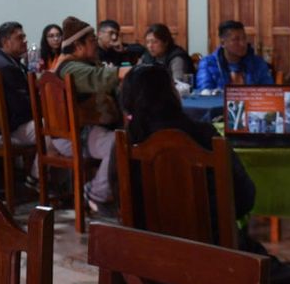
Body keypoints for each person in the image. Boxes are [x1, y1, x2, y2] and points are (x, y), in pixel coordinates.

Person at [114, 64, 256, 236]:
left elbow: (118, 198)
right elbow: (245, 195)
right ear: (173, 94)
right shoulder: (204, 135)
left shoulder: (126, 142)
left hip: (147, 249)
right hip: (212, 248)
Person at [54, 16, 130, 211]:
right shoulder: (70, 68)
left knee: (127, 136)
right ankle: (96, 193)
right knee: (119, 142)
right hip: (75, 136)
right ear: (78, 46)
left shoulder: (79, 64)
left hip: (82, 131)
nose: (96, 44)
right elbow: (97, 78)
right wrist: (121, 73)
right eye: (92, 41)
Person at [195, 20, 275, 90]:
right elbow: (205, 94)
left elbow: (268, 91)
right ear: (223, 43)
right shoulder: (208, 64)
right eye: (236, 40)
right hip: (219, 106)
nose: (243, 43)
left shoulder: (257, 62)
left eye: (244, 38)